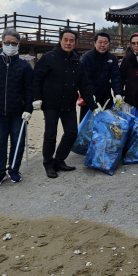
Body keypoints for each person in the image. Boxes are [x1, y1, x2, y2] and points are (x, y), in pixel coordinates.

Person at [32, 29, 99, 179]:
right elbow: (36, 78)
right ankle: (48, 164)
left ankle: (59, 160)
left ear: (75, 42)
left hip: (68, 103)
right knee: (50, 134)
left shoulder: (77, 61)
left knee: (72, 133)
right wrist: (36, 98)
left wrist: (93, 105)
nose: (68, 43)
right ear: (60, 40)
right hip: (51, 103)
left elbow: (84, 85)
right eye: (66, 40)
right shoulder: (49, 57)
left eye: (71, 40)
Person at [0, 28, 34, 188]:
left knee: (18, 142)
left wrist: (28, 109)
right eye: (7, 43)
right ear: (1, 43)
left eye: (13, 43)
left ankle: (14, 170)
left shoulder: (25, 67)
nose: (10, 45)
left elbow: (29, 90)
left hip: (19, 113)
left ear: (18, 45)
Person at [79, 32, 123, 121]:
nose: (102, 45)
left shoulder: (112, 58)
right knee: (85, 121)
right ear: (95, 43)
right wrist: (91, 95)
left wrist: (118, 93)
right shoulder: (87, 57)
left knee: (109, 120)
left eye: (105, 43)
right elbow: (86, 79)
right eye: (100, 42)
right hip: (90, 94)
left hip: (105, 92)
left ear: (109, 44)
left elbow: (115, 77)